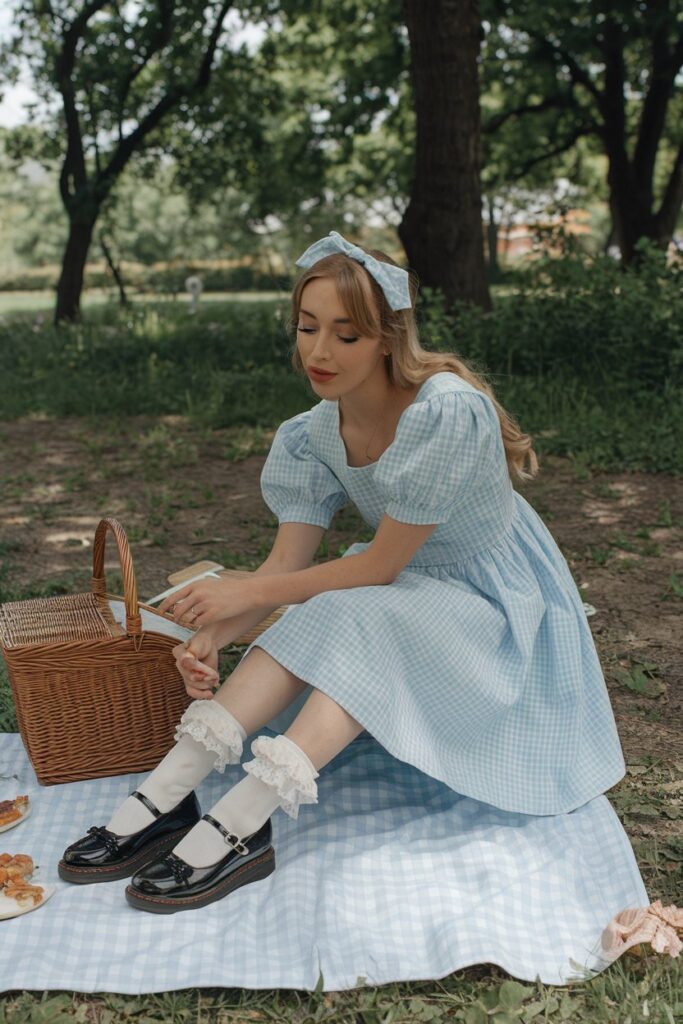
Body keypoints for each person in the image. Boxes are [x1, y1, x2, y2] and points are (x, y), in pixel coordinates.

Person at [59, 229, 627, 916]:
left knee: (354, 610)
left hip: (493, 602)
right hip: (403, 591)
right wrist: (216, 632)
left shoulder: (446, 411)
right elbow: (285, 570)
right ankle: (163, 799)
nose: (318, 352)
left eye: (345, 335)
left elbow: (380, 565)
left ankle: (241, 822)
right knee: (329, 607)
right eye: (306, 328)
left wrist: (247, 592)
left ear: (388, 338)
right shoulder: (308, 436)